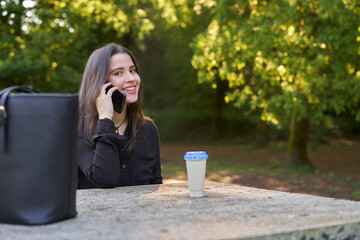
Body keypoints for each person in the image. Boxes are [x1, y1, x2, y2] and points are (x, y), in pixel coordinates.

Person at [77, 43, 162, 189]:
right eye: (118, 73)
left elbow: (155, 185)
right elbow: (105, 179)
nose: (131, 78)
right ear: (101, 83)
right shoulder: (78, 130)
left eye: (133, 70)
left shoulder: (147, 129)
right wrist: (105, 118)